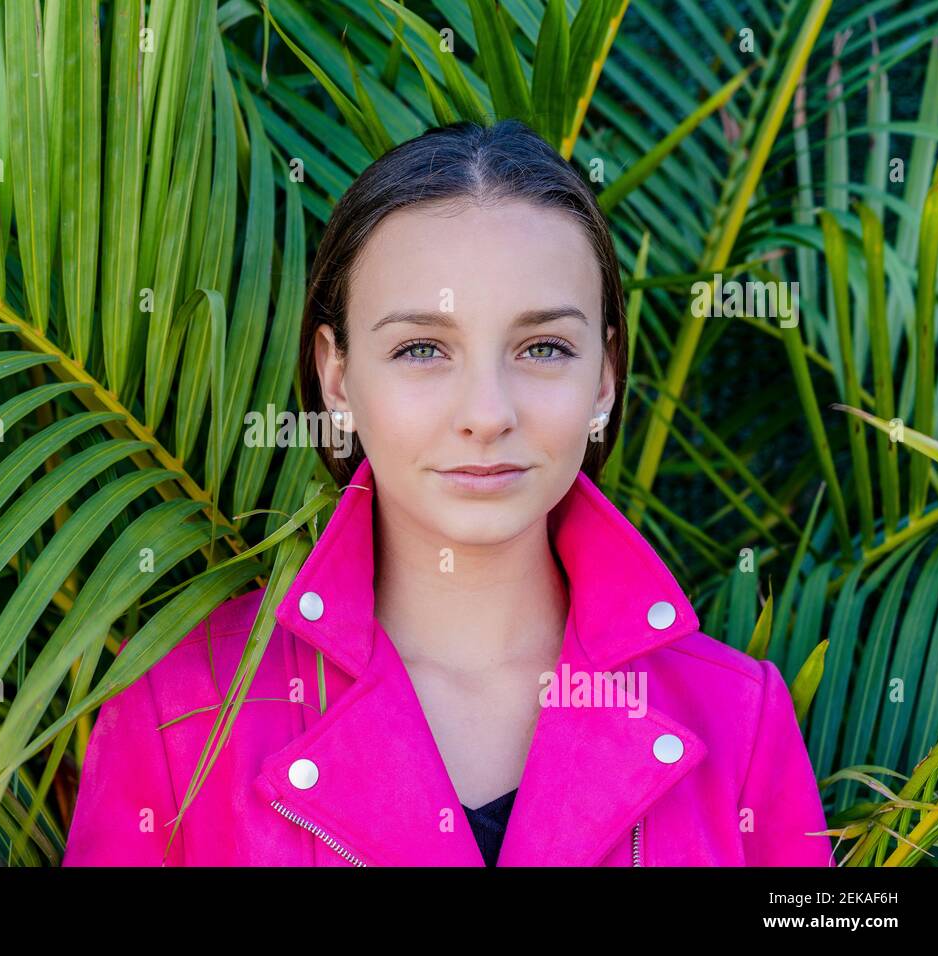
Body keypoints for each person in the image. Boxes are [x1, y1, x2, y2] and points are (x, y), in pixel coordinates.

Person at [61, 118, 835, 867]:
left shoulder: (737, 719)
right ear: (337, 376)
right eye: (423, 348)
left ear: (602, 375)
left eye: (542, 348)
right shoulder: (180, 707)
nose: (487, 415)